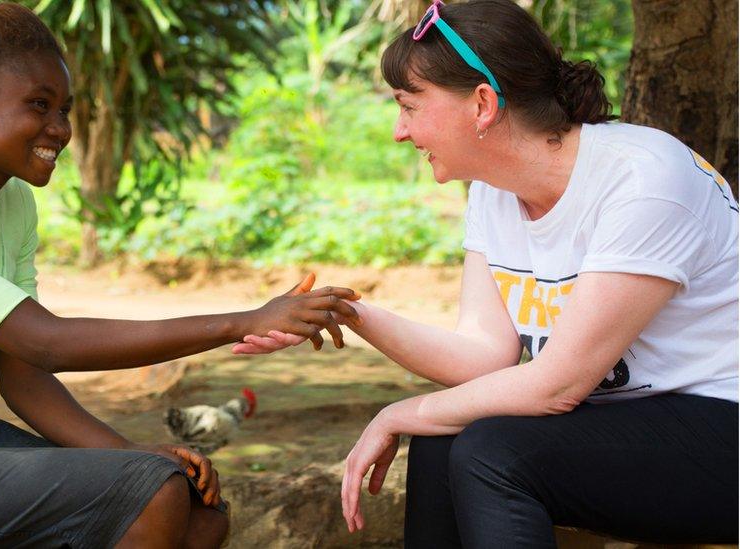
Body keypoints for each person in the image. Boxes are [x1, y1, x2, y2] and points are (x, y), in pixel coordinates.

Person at [0, 3, 361, 548]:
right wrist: (242, 321)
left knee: (199, 512)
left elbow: (23, 377)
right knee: (154, 498)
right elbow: (45, 343)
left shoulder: (11, 202)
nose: (60, 128)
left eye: (64, 108)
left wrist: (126, 453)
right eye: (38, 105)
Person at [234, 0, 739, 546]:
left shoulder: (642, 182)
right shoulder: (495, 196)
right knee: (443, 438)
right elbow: (481, 356)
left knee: (490, 451)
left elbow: (557, 386)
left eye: (409, 106)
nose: (399, 132)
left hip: (722, 424)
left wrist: (397, 411)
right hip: (637, 427)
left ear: (481, 104)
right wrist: (347, 311)